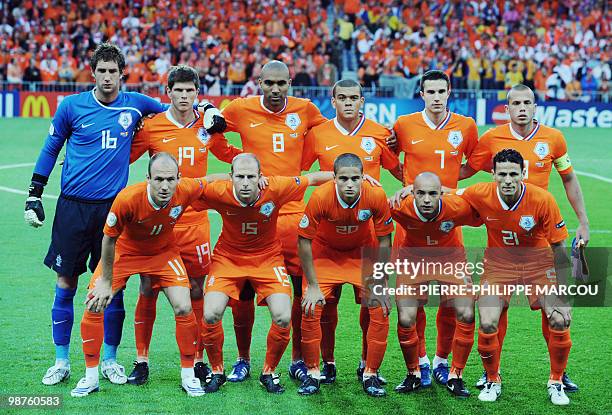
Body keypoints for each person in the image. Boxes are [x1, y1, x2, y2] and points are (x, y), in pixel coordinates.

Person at [24, 42, 226, 387]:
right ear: (92, 73)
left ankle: (111, 361)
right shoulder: (71, 106)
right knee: (66, 283)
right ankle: (61, 361)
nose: (106, 77)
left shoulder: (135, 104)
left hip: (112, 210)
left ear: (122, 74)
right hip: (72, 205)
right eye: (100, 71)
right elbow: (50, 147)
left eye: (112, 71)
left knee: (112, 287)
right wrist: (34, 194)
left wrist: (206, 107)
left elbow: (175, 107)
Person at [460, 84, 587, 392]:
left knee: (555, 310)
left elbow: (569, 178)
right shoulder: (492, 139)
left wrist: (583, 221)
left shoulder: (554, 138)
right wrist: (421, 180)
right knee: (493, 311)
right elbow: (465, 170)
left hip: (538, 241)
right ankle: (492, 372)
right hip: (501, 243)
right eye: (514, 103)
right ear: (507, 107)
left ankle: (559, 372)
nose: (520, 108)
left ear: (534, 106)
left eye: (526, 102)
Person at [70, 153, 229, 397]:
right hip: (126, 252)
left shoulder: (185, 189)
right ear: (148, 178)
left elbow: (208, 180)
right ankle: (90, 376)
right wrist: (105, 281)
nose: (164, 186)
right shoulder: (128, 199)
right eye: (158, 179)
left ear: (179, 178)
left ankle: (188, 375)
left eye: (170, 179)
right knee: (94, 303)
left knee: (184, 307)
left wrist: (235, 176)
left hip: (163, 253)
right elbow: (109, 239)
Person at [127, 65, 243, 385]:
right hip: (158, 224)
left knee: (196, 289)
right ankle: (141, 359)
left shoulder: (206, 127)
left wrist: (257, 160)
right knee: (148, 288)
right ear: (169, 93)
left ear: (197, 93)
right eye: (177, 90)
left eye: (189, 91)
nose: (183, 96)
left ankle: (198, 360)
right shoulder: (152, 127)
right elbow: (124, 157)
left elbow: (230, 154)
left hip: (195, 225)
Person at [220, 60, 327, 382]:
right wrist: (240, 162)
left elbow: (327, 137)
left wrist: (301, 166)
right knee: (244, 292)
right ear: (259, 83)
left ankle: (295, 359)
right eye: (270, 83)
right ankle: (242, 359)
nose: (276, 89)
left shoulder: (305, 109)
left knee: (296, 292)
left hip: (293, 216)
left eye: (282, 83)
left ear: (290, 83)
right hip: (253, 215)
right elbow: (210, 134)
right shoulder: (240, 109)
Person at [192, 154, 334, 394]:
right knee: (211, 313)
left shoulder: (276, 187)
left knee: (283, 316)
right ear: (231, 178)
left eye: (251, 177)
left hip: (268, 259)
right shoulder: (219, 192)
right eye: (240, 177)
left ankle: (268, 372)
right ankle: (217, 371)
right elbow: (189, 187)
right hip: (228, 259)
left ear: (261, 177)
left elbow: (311, 178)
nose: (245, 182)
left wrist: (353, 178)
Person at [301, 79, 401, 384]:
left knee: (376, 304)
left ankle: (367, 367)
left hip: (365, 240)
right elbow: (301, 169)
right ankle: (323, 366)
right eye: (342, 97)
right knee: (320, 306)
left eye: (354, 98)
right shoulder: (318, 134)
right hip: (326, 243)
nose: (348, 102)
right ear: (332, 101)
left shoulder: (381, 134)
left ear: (362, 101)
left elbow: (399, 171)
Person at [460, 149, 573, 406]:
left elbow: (560, 250)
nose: (508, 180)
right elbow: (445, 192)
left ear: (524, 173)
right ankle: (492, 378)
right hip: (498, 265)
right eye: (502, 174)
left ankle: (556, 380)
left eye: (513, 174)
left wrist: (565, 296)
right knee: (488, 322)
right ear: (493, 175)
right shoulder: (479, 192)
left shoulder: (542, 199)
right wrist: (409, 189)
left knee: (558, 317)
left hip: (538, 264)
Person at [392, 69, 479, 387]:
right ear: (422, 94)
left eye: (442, 91)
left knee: (449, 301)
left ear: (449, 92)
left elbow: (475, 161)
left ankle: (443, 363)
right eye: (431, 92)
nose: (437, 97)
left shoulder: (466, 126)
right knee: (411, 305)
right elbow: (390, 156)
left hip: (447, 223)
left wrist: (450, 188)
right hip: (411, 229)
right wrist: (407, 185)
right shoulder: (404, 125)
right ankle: (421, 364)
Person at [297, 153, 393, 397]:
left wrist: (381, 280)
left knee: (379, 307)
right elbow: (304, 241)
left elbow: (384, 240)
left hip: (362, 255)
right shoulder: (320, 196)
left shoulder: (375, 195)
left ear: (363, 177)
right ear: (334, 179)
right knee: (311, 306)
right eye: (344, 179)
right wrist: (313, 286)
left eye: (354, 179)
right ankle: (316, 371)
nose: (349, 184)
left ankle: (369, 371)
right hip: (325, 255)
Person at [390, 172, 481, 398]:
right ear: (412, 193)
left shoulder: (457, 207)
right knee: (406, 317)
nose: (427, 199)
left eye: (433, 194)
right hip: (413, 260)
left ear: (442, 194)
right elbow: (369, 207)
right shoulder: (398, 207)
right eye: (421, 193)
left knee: (466, 312)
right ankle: (415, 372)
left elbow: (484, 211)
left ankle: (454, 374)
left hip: (450, 259)